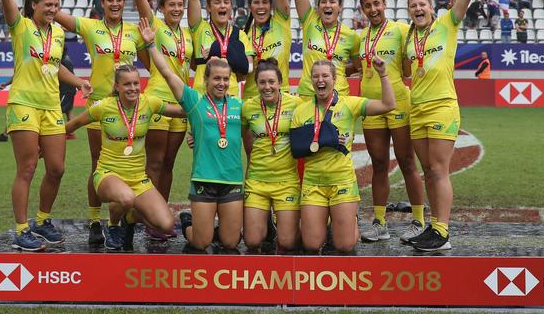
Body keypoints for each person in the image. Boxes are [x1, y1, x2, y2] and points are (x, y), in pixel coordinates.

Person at [401, 0, 501, 252]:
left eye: (423, 4)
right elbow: (406, 68)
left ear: (433, 7)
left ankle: (442, 232)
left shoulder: (447, 23)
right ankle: (434, 226)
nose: (418, 8)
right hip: (416, 110)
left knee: (439, 169)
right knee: (427, 171)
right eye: (413, 5)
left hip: (442, 107)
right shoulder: (409, 37)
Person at [0, 0, 91, 251]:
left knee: (57, 168)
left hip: (52, 106)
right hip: (24, 104)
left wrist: (78, 81)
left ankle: (42, 220)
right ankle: (22, 229)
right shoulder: (20, 27)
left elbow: (55, 67)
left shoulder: (57, 33)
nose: (53, 10)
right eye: (48, 5)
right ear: (33, 5)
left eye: (57, 5)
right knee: (26, 167)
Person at [51, 0, 148, 246]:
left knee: (128, 165)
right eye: (110, 0)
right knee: (98, 167)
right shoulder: (91, 26)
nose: (115, 4)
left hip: (129, 108)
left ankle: (120, 220)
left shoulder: (134, 32)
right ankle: (95, 220)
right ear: (102, 3)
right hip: (99, 105)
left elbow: (152, 67)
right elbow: (55, 13)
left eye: (119, 0)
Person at [141, 19, 244, 251]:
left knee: (230, 242)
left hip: (232, 181)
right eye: (216, 78)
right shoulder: (195, 102)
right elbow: (168, 73)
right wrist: (150, 46)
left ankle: (211, 226)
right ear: (206, 80)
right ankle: (189, 223)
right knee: (201, 242)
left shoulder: (240, 106)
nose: (221, 83)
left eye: (225, 79)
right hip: (204, 181)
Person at [65, 65, 183, 250]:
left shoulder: (149, 103)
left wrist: (204, 105)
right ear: (117, 86)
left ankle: (128, 217)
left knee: (166, 224)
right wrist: (46, 143)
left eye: (136, 83)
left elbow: (179, 111)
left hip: (138, 179)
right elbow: (74, 124)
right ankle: (113, 225)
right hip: (108, 174)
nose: (133, 88)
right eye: (127, 84)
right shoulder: (104, 106)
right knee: (126, 198)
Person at [290, 58, 395, 253]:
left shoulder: (349, 104)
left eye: (325, 76)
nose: (320, 80)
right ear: (311, 80)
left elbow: (389, 104)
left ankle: (349, 222)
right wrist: (324, 140)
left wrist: (383, 74)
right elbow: (297, 149)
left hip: (342, 182)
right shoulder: (301, 111)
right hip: (313, 184)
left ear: (334, 79)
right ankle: (333, 221)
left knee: (344, 245)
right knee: (312, 244)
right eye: (315, 76)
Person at [354, 0, 425, 244]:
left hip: (398, 102)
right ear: (362, 9)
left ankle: (418, 221)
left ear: (385, 4)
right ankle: (380, 223)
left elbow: (409, 64)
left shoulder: (400, 30)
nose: (373, 9)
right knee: (379, 165)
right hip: (371, 105)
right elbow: (355, 66)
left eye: (376, 4)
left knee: (407, 162)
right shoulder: (361, 37)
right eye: (367, 6)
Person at [132, 0, 194, 240]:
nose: (177, 9)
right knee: (154, 163)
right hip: (157, 100)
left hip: (180, 104)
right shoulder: (155, 25)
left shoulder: (187, 33)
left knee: (169, 164)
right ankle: (148, 217)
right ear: (161, 7)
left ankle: (161, 214)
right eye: (172, 5)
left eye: (180, 5)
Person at [241, 58, 303, 252]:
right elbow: (235, 134)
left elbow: (317, 122)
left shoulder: (296, 105)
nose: (267, 87)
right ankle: (266, 224)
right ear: (256, 84)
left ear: (280, 83)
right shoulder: (247, 107)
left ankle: (302, 227)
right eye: (262, 82)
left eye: (271, 82)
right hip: (257, 181)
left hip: (286, 182)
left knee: (287, 243)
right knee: (252, 241)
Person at [289, 0, 361, 99]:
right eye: (323, 2)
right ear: (318, 6)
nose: (328, 5)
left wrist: (338, 71)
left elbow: (359, 67)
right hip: (308, 95)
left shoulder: (351, 36)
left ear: (340, 7)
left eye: (332, 2)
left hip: (338, 96)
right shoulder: (310, 20)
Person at [187, 0, 254, 97]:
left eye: (226, 2)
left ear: (231, 6)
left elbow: (247, 70)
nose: (222, 6)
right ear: (209, 7)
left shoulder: (240, 35)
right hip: (202, 97)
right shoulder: (199, 27)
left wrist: (215, 53)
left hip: (230, 99)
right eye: (217, 2)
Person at [242, 0, 291, 100]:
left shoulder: (281, 22)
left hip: (280, 93)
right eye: (256, 3)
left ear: (271, 6)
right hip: (252, 96)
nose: (261, 6)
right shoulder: (243, 34)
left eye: (265, 2)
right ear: (250, 7)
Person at [59, 44, 77, 140]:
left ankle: (62, 131)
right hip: (71, 89)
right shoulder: (67, 58)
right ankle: (71, 133)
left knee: (58, 110)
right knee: (69, 111)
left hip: (66, 90)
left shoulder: (62, 61)